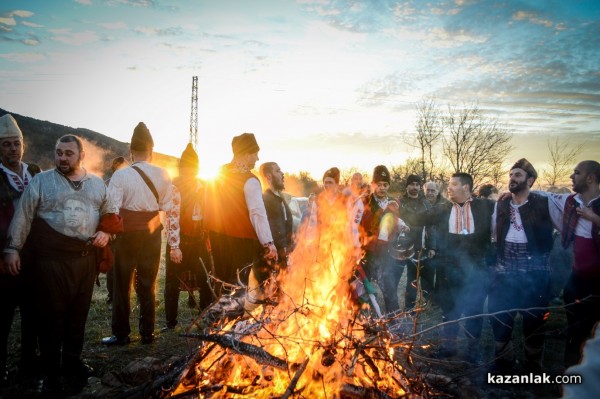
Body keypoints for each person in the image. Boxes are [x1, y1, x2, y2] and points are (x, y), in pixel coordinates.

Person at [4, 134, 120, 395]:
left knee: (78, 316)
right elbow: (23, 215)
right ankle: (51, 371)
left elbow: (110, 214)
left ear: (81, 156)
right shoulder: (42, 181)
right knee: (51, 317)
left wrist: (107, 233)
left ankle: (72, 362)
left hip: (84, 260)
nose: (62, 157)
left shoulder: (96, 184)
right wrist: (12, 248)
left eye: (68, 153)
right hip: (50, 261)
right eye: (59, 152)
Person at [102, 122, 172, 346]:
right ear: (151, 152)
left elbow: (111, 208)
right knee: (148, 285)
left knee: (122, 286)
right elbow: (167, 204)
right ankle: (147, 334)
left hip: (127, 236)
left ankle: (121, 335)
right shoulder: (163, 174)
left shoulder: (120, 176)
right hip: (152, 235)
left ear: (131, 152)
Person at [489, 158, 554, 373]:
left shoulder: (544, 202)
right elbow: (494, 230)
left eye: (517, 175)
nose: (512, 179)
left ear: (531, 180)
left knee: (534, 319)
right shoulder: (502, 202)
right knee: (499, 315)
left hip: (534, 270)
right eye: (511, 175)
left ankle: (533, 365)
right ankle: (503, 361)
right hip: (505, 267)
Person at [204, 133, 276, 308]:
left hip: (216, 235)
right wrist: (268, 242)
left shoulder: (220, 172)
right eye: (255, 153)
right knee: (238, 285)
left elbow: (208, 202)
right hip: (240, 240)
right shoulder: (250, 180)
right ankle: (230, 324)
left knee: (221, 280)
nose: (257, 158)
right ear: (245, 153)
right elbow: (257, 213)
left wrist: (207, 231)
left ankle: (217, 321)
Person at [429, 172, 494, 363]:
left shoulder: (485, 207)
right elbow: (419, 218)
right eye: (449, 184)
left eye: (453, 184)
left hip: (475, 269)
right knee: (449, 309)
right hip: (448, 269)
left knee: (474, 310)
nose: (448, 188)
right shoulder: (442, 210)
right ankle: (448, 346)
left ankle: (473, 350)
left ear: (466, 187)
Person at [542, 160, 600, 368]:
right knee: (574, 320)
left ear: (590, 178)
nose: (571, 177)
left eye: (577, 173)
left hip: (598, 282)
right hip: (578, 277)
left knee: (590, 329)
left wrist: (594, 218)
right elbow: (546, 196)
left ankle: (586, 369)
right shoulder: (572, 202)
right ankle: (570, 366)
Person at [0, 114, 41, 385]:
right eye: (6, 144)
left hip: (35, 258)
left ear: (23, 145)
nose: (13, 149)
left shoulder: (35, 173)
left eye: (16, 144)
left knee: (33, 315)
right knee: (2, 316)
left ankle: (29, 363)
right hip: (4, 257)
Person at [163, 143, 212, 331]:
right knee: (172, 282)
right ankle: (170, 323)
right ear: (182, 168)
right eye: (187, 167)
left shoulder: (203, 185)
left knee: (205, 280)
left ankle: (205, 318)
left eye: (193, 168)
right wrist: (174, 246)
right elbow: (171, 217)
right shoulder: (174, 186)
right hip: (180, 241)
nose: (190, 171)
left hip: (199, 240)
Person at [361, 165, 408, 313]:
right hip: (367, 252)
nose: (382, 188)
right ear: (373, 184)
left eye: (385, 184)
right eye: (379, 184)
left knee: (389, 289)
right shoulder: (364, 202)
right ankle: (362, 322)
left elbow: (395, 219)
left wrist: (403, 225)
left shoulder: (393, 203)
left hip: (386, 252)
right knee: (362, 289)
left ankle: (394, 324)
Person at [398, 174, 434, 311]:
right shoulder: (400, 202)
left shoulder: (426, 203)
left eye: (417, 185)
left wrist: (432, 247)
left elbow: (431, 227)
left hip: (423, 245)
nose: (414, 187)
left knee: (425, 277)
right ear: (407, 186)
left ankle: (426, 304)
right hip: (406, 246)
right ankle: (409, 307)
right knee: (411, 279)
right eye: (412, 184)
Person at [104, 156, 129, 305]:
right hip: (114, 228)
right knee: (112, 264)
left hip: (126, 228)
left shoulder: (129, 183)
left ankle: (125, 294)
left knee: (128, 263)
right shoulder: (108, 184)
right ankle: (113, 296)